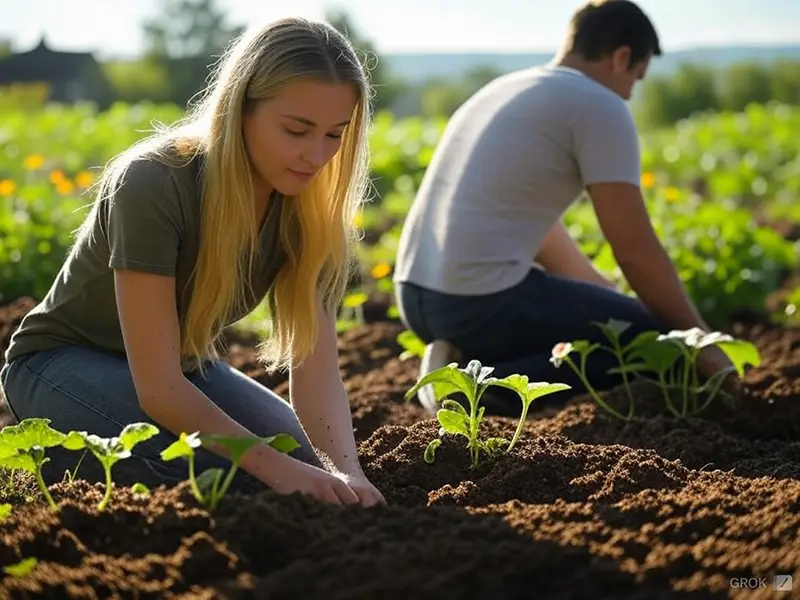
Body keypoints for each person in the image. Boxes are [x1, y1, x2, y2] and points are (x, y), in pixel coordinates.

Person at [0, 17, 386, 507]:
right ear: (240, 109)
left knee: (304, 462)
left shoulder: (309, 212)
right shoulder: (154, 182)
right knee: (232, 478)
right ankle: (53, 467)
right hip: (61, 362)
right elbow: (159, 389)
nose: (316, 155)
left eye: (334, 135)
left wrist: (345, 471)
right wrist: (277, 470)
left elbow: (317, 371)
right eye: (296, 130)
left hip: (185, 370)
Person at [393, 0, 737, 416]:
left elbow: (532, 226)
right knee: (654, 342)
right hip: (479, 305)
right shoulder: (599, 104)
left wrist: (604, 295)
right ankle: (477, 389)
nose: (630, 93)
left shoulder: (506, 88)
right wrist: (700, 342)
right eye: (636, 78)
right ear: (621, 57)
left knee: (617, 320)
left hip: (415, 297)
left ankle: (466, 359)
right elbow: (634, 248)